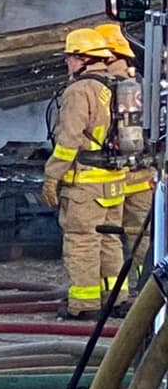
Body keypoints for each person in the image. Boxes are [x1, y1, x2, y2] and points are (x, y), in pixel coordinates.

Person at [42, 28, 128, 320]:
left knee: (82, 240)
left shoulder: (79, 90)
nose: (67, 63)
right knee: (109, 239)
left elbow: (68, 141)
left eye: (69, 57)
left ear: (82, 59)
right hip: (115, 180)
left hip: (86, 183)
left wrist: (52, 175)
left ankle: (84, 305)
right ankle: (116, 300)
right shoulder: (118, 85)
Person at [95, 22, 152, 300]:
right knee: (143, 237)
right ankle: (147, 293)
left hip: (113, 176)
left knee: (108, 237)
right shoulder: (142, 83)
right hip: (143, 173)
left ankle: (117, 294)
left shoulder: (102, 88)